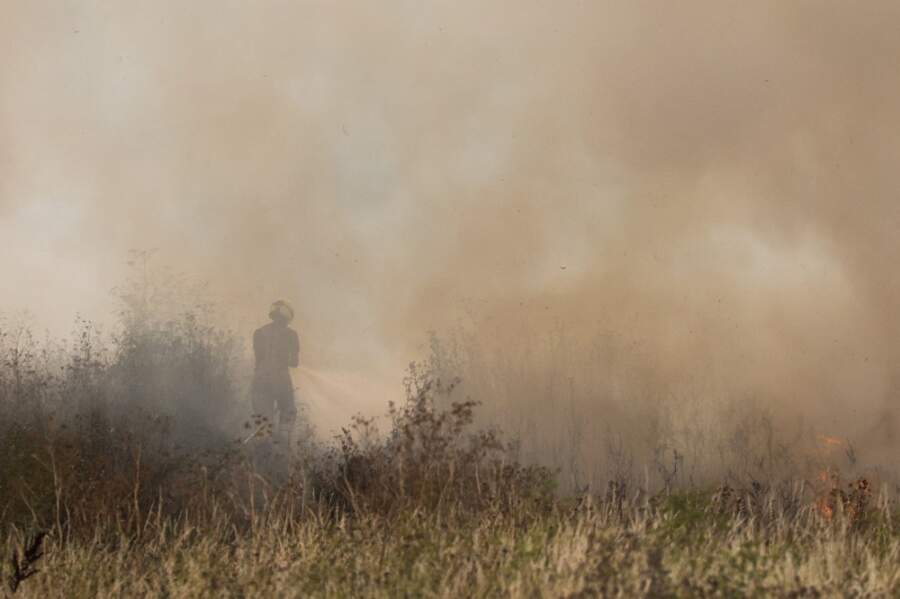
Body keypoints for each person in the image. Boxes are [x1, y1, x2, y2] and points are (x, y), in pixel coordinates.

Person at [251, 300, 300, 449]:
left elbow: (258, 360)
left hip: (259, 380)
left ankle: (261, 455)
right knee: (288, 410)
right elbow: (294, 362)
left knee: (264, 421)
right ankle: (283, 449)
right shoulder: (291, 334)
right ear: (287, 317)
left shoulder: (259, 332)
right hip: (280, 379)